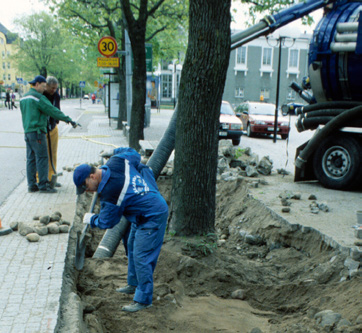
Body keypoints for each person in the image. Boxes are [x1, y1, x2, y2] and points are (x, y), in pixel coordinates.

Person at [73, 147, 168, 312]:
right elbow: (134, 154)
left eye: (86, 186)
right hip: (140, 214)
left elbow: (108, 221)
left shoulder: (112, 192)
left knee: (141, 256)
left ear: (92, 176)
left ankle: (144, 300)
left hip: (152, 215)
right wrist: (115, 151)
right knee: (131, 245)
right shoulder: (117, 161)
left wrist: (92, 219)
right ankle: (133, 283)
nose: (87, 191)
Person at [20, 75, 77, 193]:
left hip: (27, 132)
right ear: (37, 84)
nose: (44, 88)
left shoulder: (23, 98)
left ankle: (32, 185)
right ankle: (43, 185)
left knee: (31, 159)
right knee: (42, 158)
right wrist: (68, 120)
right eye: (43, 86)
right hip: (38, 132)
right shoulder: (38, 98)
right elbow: (52, 111)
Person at [43, 76, 62, 187]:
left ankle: (52, 176)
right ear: (47, 85)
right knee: (43, 155)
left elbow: (57, 109)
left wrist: (57, 120)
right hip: (43, 128)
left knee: (53, 153)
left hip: (52, 127)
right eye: (52, 88)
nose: (53, 90)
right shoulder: (42, 95)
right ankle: (41, 178)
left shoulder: (56, 96)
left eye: (55, 88)